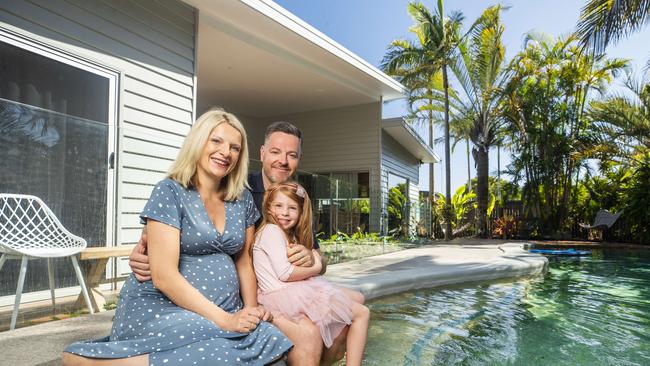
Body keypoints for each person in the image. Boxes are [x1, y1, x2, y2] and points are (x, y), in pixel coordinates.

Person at [62, 108, 292, 365]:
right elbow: (164, 276)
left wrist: (249, 309)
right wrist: (226, 320)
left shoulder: (242, 198)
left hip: (220, 311)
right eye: (215, 141)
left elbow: (244, 261)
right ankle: (98, 361)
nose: (226, 152)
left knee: (270, 341)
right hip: (162, 307)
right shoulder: (170, 192)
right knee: (222, 354)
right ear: (197, 142)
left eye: (234, 147)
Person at [128, 122, 352, 365]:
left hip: (278, 290)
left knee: (342, 324)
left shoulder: (295, 199)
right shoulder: (237, 186)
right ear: (262, 153)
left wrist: (315, 259)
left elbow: (318, 256)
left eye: (292, 155)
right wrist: (143, 253)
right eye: (276, 152)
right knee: (308, 334)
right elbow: (165, 237)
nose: (283, 161)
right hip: (251, 295)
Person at [254, 182, 369, 366]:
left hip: (293, 290)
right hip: (283, 294)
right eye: (278, 206)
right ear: (268, 208)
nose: (284, 212)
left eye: (292, 208)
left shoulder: (287, 233)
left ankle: (332, 349)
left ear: (301, 212)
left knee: (359, 297)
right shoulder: (271, 231)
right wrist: (315, 266)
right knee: (361, 313)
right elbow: (285, 273)